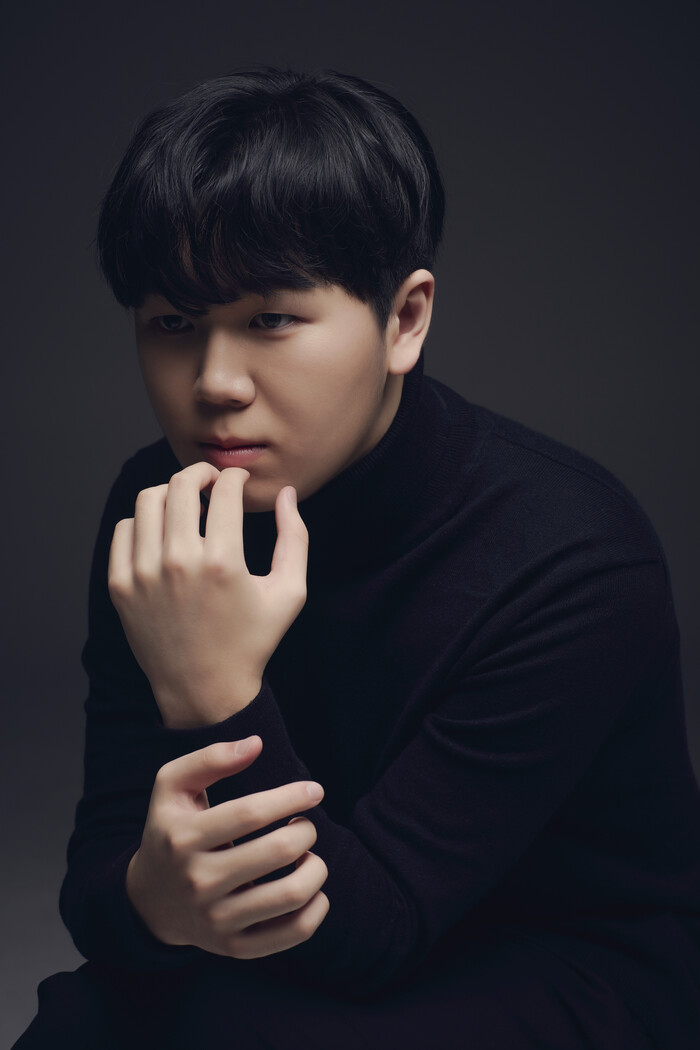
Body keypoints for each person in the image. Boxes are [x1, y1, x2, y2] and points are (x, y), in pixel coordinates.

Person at [15, 67, 700, 1049]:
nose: (214, 383)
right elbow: (102, 881)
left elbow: (368, 937)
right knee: (80, 1026)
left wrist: (215, 691)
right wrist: (151, 902)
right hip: (299, 933)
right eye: (172, 323)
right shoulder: (163, 509)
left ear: (404, 320)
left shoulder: (573, 557)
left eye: (270, 320)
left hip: (562, 959)